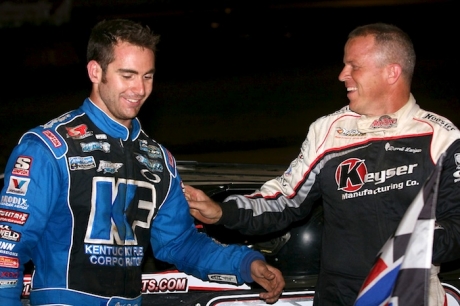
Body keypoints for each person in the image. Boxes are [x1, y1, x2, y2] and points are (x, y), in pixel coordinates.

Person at [0, 19, 284, 306]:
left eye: (147, 76)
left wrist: (246, 264)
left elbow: (179, 243)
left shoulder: (158, 159)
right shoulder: (49, 148)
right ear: (95, 71)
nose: (139, 89)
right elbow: (6, 249)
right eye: (127, 75)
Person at [185, 23, 460, 305]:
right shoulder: (329, 130)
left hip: (408, 292)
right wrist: (221, 212)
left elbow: (457, 227)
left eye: (354, 66)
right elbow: (284, 202)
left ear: (392, 72)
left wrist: (407, 246)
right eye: (344, 65)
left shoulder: (442, 138)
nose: (343, 76)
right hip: (337, 295)